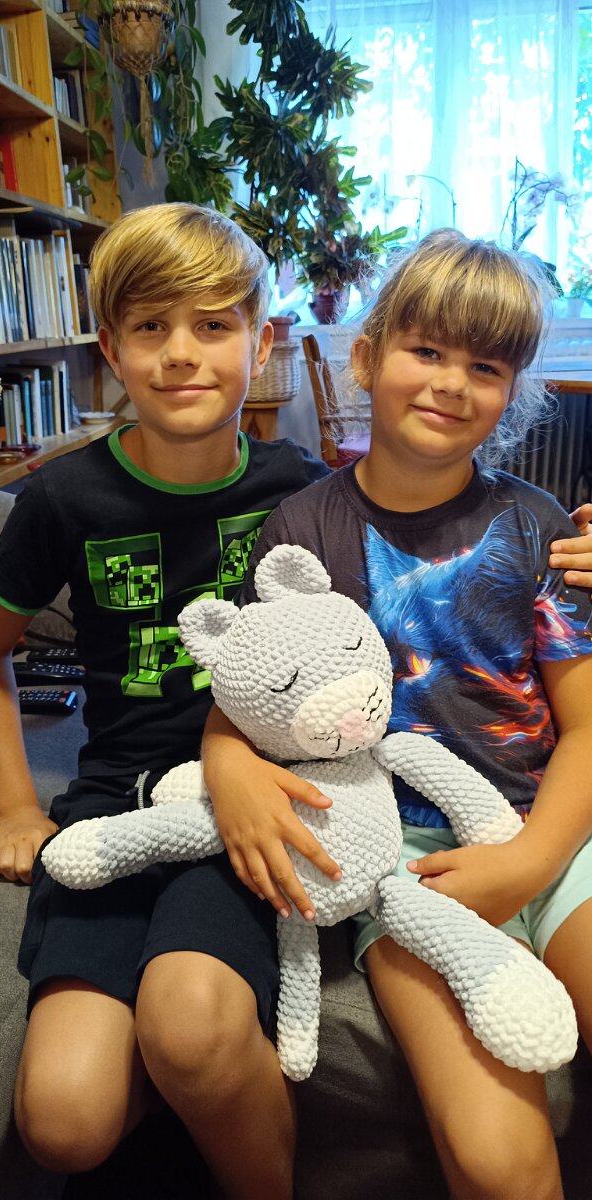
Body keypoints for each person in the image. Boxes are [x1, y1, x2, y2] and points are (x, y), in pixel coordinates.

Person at [0, 203, 340, 1200]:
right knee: (64, 1122)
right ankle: (202, 1091)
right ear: (110, 350)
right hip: (114, 806)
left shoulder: (301, 489)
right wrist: (16, 808)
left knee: (189, 1023)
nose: (180, 353)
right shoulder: (62, 498)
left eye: (213, 325)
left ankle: (223, 1100)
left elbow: (427, 539)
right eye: (150, 327)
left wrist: (559, 544)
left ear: (260, 342)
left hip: (250, 805)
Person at [201, 229, 592, 1200]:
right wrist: (228, 763)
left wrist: (532, 860)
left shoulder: (540, 525)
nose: (451, 383)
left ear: (512, 392)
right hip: (405, 860)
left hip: (555, 834)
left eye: (485, 366)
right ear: (369, 358)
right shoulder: (302, 532)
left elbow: (585, 727)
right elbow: (250, 696)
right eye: (427, 350)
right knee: (500, 1162)